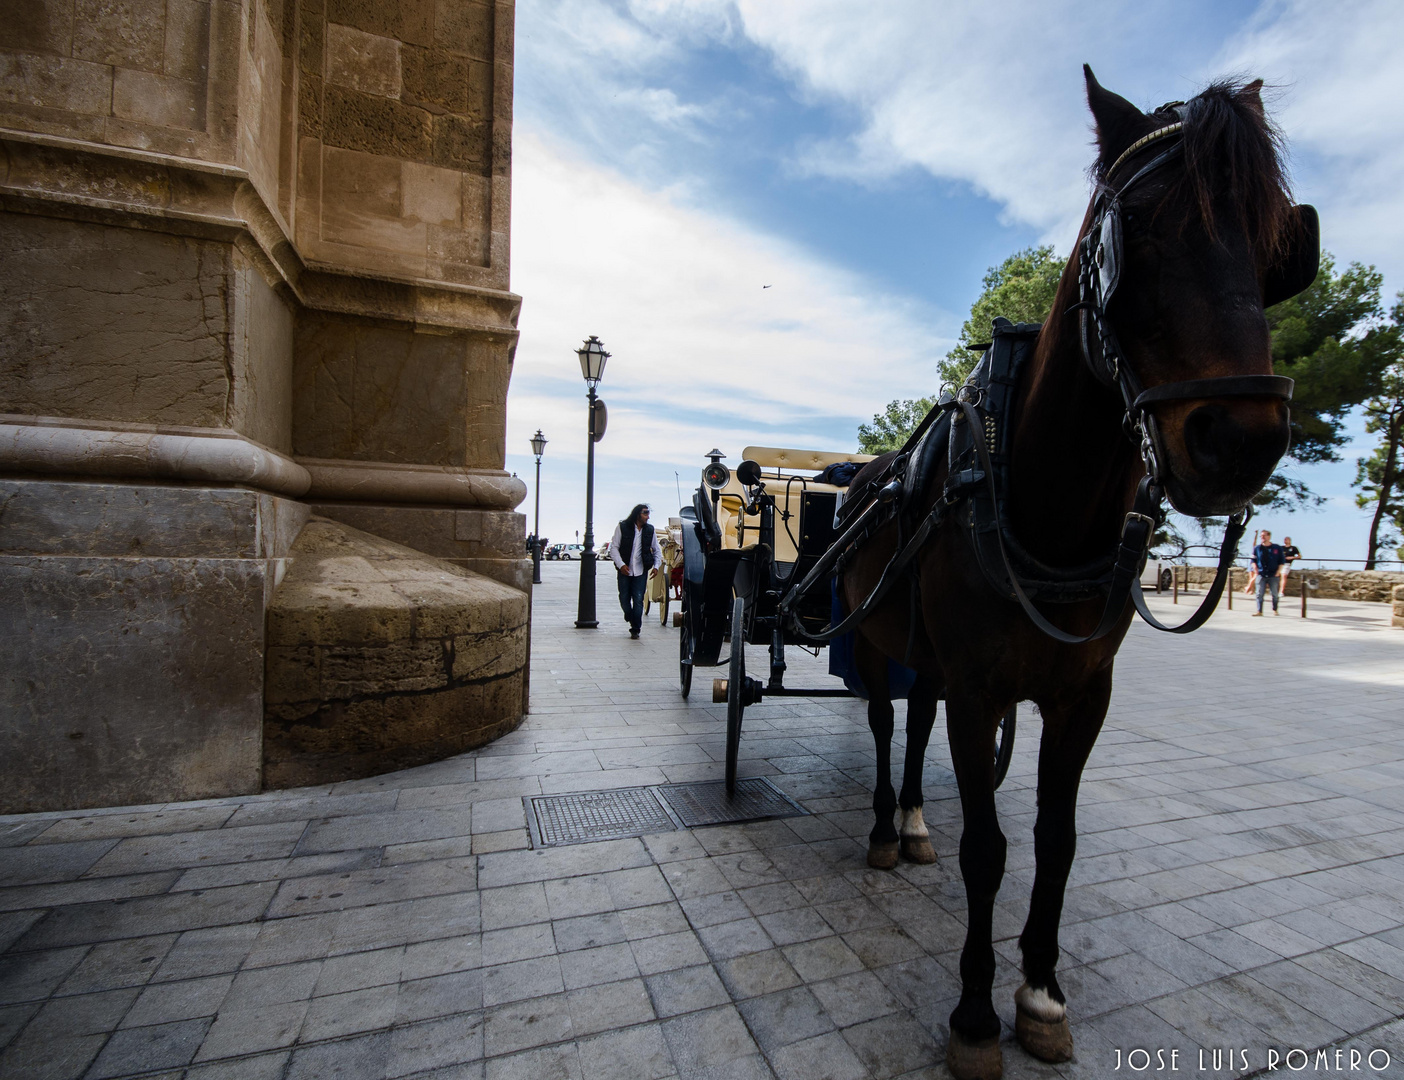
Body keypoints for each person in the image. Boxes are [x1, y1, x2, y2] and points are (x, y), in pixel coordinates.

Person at [610, 504, 662, 638]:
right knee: (624, 598)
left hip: (640, 570)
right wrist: (621, 565)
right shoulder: (622, 527)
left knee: (638, 599)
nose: (647, 517)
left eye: (648, 513)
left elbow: (656, 550)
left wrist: (656, 566)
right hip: (625, 570)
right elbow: (614, 548)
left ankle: (635, 628)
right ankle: (629, 615)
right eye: (645, 513)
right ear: (637, 514)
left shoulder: (650, 530)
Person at [1251, 529, 1286, 616]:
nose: (1262, 537)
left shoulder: (1277, 548)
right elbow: (1253, 560)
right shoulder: (1257, 548)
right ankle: (1259, 611)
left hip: (1273, 574)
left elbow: (1282, 561)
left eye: (1264, 536)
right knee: (1259, 593)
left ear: (1269, 537)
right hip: (1261, 573)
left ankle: (1275, 609)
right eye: (1261, 536)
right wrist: (1256, 569)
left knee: (1274, 593)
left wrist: (1278, 572)